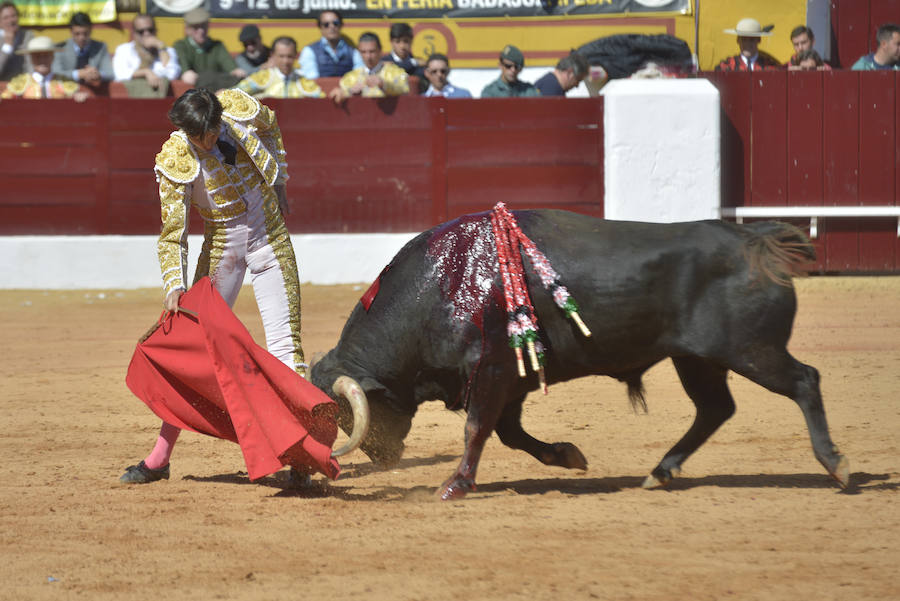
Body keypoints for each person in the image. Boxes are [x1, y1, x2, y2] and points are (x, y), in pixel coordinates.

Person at [120, 87, 307, 484]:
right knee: (195, 348)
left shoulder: (236, 109)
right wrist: (174, 284)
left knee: (286, 345)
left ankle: (302, 458)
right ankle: (159, 459)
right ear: (186, 131)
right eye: (201, 135)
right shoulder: (175, 158)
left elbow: (270, 124)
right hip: (223, 248)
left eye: (214, 129)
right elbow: (173, 233)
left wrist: (280, 182)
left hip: (269, 234)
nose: (210, 139)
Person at [173, 7, 245, 90]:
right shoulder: (181, 46)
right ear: (187, 29)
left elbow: (229, 65)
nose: (201, 31)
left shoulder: (217, 45)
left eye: (203, 26)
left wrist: (235, 71)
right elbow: (187, 74)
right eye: (196, 27)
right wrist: (186, 73)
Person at [112, 13, 181, 98]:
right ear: (134, 33)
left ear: (156, 30)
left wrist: (161, 48)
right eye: (141, 31)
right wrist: (145, 72)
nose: (146, 34)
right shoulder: (124, 50)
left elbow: (172, 73)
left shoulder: (168, 50)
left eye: (150, 30)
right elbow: (120, 74)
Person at [328, 32, 408, 104]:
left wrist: (384, 84)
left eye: (372, 51)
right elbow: (341, 92)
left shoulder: (394, 72)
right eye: (363, 52)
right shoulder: (351, 77)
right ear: (359, 53)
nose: (368, 56)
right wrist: (349, 92)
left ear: (380, 51)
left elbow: (404, 89)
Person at [1, 35, 89, 100]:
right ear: (31, 59)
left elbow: (87, 96)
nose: (42, 60)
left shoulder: (64, 82)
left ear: (53, 57)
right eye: (37, 56)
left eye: (46, 55)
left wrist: (81, 96)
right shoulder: (20, 82)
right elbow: (4, 100)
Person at [236, 36, 324, 99]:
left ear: (295, 56)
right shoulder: (262, 77)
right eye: (281, 56)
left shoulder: (303, 82)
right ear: (273, 55)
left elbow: (322, 100)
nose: (285, 61)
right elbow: (235, 92)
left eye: (289, 56)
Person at [52, 12, 113, 94]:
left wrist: (98, 75)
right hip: (67, 94)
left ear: (91, 30)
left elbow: (110, 73)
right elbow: (55, 73)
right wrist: (78, 74)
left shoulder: (100, 47)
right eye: (77, 34)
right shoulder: (60, 48)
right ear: (71, 32)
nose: (81, 38)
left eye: (85, 33)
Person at [298, 10, 363, 80]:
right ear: (320, 27)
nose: (331, 27)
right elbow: (311, 81)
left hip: (347, 90)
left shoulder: (354, 52)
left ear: (341, 25)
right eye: (326, 24)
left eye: (335, 23)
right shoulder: (309, 51)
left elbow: (359, 78)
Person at [715, 18, 781, 72]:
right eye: (744, 39)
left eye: (751, 40)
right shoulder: (725, 67)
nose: (747, 44)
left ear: (759, 40)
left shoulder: (771, 67)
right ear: (738, 40)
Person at [0, 1, 33, 81]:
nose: (11, 21)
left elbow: (31, 64)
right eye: (6, 18)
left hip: (24, 84)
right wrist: (7, 46)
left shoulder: (28, 36)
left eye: (13, 16)